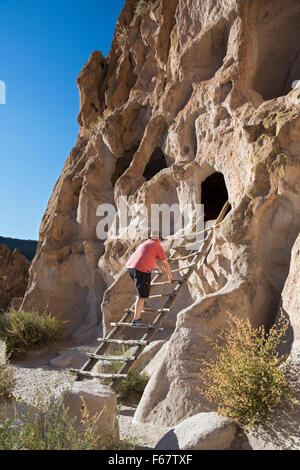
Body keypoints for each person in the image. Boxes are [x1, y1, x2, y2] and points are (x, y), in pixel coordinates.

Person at [127, 230, 175, 326]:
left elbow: (147, 258)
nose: (160, 241)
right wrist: (170, 277)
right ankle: (136, 319)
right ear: (158, 238)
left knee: (142, 291)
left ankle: (141, 303)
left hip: (131, 268)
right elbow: (166, 263)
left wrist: (159, 268)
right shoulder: (157, 246)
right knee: (142, 296)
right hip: (141, 270)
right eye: (160, 240)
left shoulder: (146, 244)